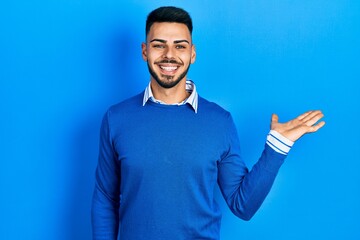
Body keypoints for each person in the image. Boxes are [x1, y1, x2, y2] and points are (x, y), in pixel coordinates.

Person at [91, 6, 325, 240]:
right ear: (145, 51)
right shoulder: (117, 118)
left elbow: (242, 205)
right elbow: (105, 197)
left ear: (192, 53)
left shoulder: (219, 122)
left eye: (180, 46)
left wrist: (278, 145)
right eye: (159, 45)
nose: (169, 55)